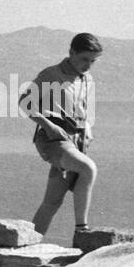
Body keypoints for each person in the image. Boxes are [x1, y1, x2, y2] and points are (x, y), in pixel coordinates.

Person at [23, 33, 102, 239]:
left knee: (52, 202)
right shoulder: (51, 74)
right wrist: (48, 125)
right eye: (84, 59)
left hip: (76, 141)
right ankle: (82, 230)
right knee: (88, 168)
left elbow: (84, 111)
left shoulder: (87, 79)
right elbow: (24, 102)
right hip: (53, 139)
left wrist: (88, 129)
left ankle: (28, 243)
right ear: (71, 52)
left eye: (93, 61)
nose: (88, 65)